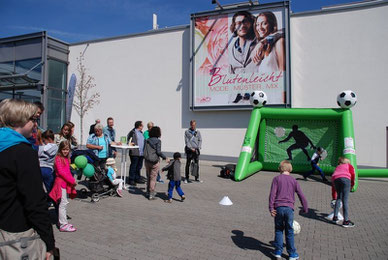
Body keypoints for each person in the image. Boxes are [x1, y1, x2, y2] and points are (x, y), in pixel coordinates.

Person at [0, 99, 55, 259]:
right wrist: (49, 243)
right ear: (20, 120)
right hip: (17, 236)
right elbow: (35, 201)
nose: (35, 124)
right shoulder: (23, 153)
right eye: (33, 119)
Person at [269, 160, 308, 260]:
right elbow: (301, 194)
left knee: (278, 229)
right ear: (290, 169)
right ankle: (292, 254)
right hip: (289, 209)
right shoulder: (294, 181)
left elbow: (272, 195)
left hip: (278, 208)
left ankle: (278, 251)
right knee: (289, 231)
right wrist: (305, 207)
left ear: (280, 169)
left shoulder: (276, 179)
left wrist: (271, 208)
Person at [49, 140, 77, 232]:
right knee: (63, 204)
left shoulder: (66, 159)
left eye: (67, 149)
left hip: (65, 184)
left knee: (63, 203)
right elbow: (61, 173)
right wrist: (72, 180)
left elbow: (67, 172)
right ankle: (63, 224)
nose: (65, 151)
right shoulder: (58, 158)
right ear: (60, 149)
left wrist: (71, 181)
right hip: (60, 184)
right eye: (64, 149)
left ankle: (62, 222)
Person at [331, 157, 355, 227]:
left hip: (335, 179)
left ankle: (335, 217)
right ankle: (346, 221)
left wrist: (333, 196)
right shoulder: (349, 166)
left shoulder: (338, 167)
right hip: (345, 179)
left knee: (339, 198)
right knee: (345, 200)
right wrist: (352, 184)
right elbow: (353, 175)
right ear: (347, 162)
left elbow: (333, 184)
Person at [144, 126, 167, 200]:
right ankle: (151, 194)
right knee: (153, 178)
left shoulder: (147, 140)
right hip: (154, 161)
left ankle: (147, 191)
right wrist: (164, 157)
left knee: (148, 177)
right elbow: (158, 152)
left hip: (147, 160)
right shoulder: (158, 141)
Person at [38, 129, 58, 193]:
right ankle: (51, 200)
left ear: (48, 139)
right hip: (49, 169)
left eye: (44, 140)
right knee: (50, 187)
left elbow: (37, 154)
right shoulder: (56, 148)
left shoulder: (42, 148)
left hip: (40, 167)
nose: (44, 142)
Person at [127, 121, 146, 186]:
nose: (143, 126)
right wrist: (131, 145)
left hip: (141, 153)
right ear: (139, 126)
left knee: (139, 166)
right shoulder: (132, 132)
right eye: (142, 125)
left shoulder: (141, 133)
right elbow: (128, 141)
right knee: (133, 166)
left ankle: (137, 178)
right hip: (134, 152)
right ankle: (131, 179)